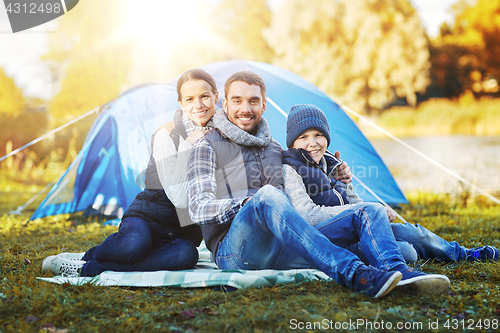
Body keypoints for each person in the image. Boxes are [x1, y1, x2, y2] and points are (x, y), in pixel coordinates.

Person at [187, 71, 450, 298]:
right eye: (237, 101)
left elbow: (305, 164)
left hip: (282, 244)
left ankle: (398, 271)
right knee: (267, 196)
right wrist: (250, 204)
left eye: (253, 101)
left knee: (369, 212)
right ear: (225, 103)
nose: (246, 108)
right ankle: (355, 274)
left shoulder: (274, 148)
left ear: (264, 105)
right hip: (235, 252)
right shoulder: (206, 146)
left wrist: (335, 172)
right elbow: (198, 208)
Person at [41, 68, 219, 277]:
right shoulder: (165, 135)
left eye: (204, 96)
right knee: (133, 244)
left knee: (186, 256)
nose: (198, 105)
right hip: (148, 219)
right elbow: (180, 199)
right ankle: (88, 257)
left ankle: (94, 267)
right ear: (181, 104)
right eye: (189, 99)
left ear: (216, 96)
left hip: (182, 233)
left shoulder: (223, 137)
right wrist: (189, 145)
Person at [283, 104, 499, 265]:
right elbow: (307, 215)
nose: (312, 142)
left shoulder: (333, 165)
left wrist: (375, 210)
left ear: (327, 138)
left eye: (318, 134)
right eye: (303, 137)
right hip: (330, 238)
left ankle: (463, 253)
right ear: (293, 142)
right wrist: (364, 211)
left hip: (359, 225)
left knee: (414, 233)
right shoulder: (290, 169)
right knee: (408, 253)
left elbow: (354, 200)